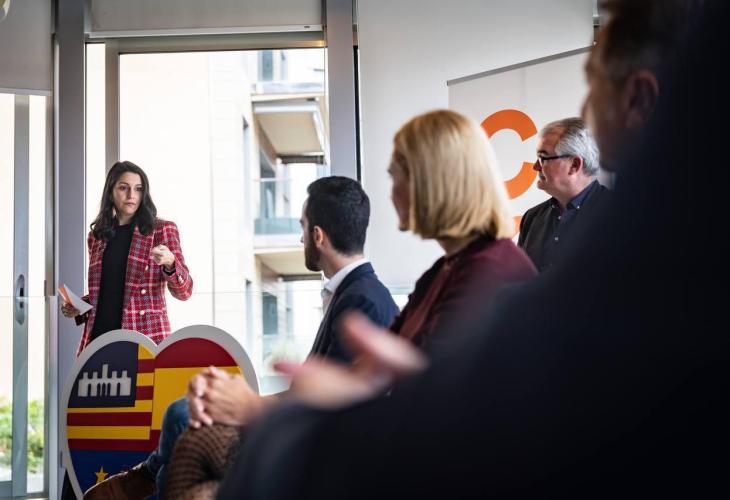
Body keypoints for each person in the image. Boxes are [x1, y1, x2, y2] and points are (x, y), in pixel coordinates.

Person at [217, 0, 726, 498]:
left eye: (398, 174)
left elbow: (486, 415)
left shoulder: (546, 262)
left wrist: (278, 414)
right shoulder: (461, 267)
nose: (390, 190)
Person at [162, 109, 536, 499]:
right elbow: (363, 378)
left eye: (396, 175)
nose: (390, 191)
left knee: (201, 479)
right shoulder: (444, 271)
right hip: (396, 447)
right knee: (197, 446)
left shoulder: (487, 274)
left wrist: (256, 409)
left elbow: (431, 411)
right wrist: (246, 397)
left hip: (422, 464)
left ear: (431, 179)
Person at [85, 176, 400, 499]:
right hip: (299, 430)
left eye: (303, 227)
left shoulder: (361, 301)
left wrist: (249, 405)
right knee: (183, 419)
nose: (300, 237)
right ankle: (146, 479)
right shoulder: (355, 292)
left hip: (305, 448)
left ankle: (142, 479)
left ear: (317, 236)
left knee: (182, 416)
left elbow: (326, 407)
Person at [59, 160, 193, 500]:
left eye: (138, 188)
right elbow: (107, 292)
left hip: (143, 343)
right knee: (92, 428)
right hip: (98, 344)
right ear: (111, 192)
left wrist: (171, 264)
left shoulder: (162, 230)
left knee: (138, 429)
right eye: (123, 188)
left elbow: (184, 290)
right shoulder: (97, 237)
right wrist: (78, 306)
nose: (131, 195)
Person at [518, 117, 609, 272]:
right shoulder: (532, 218)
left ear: (574, 164)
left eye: (543, 158)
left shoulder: (619, 214)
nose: (536, 166)